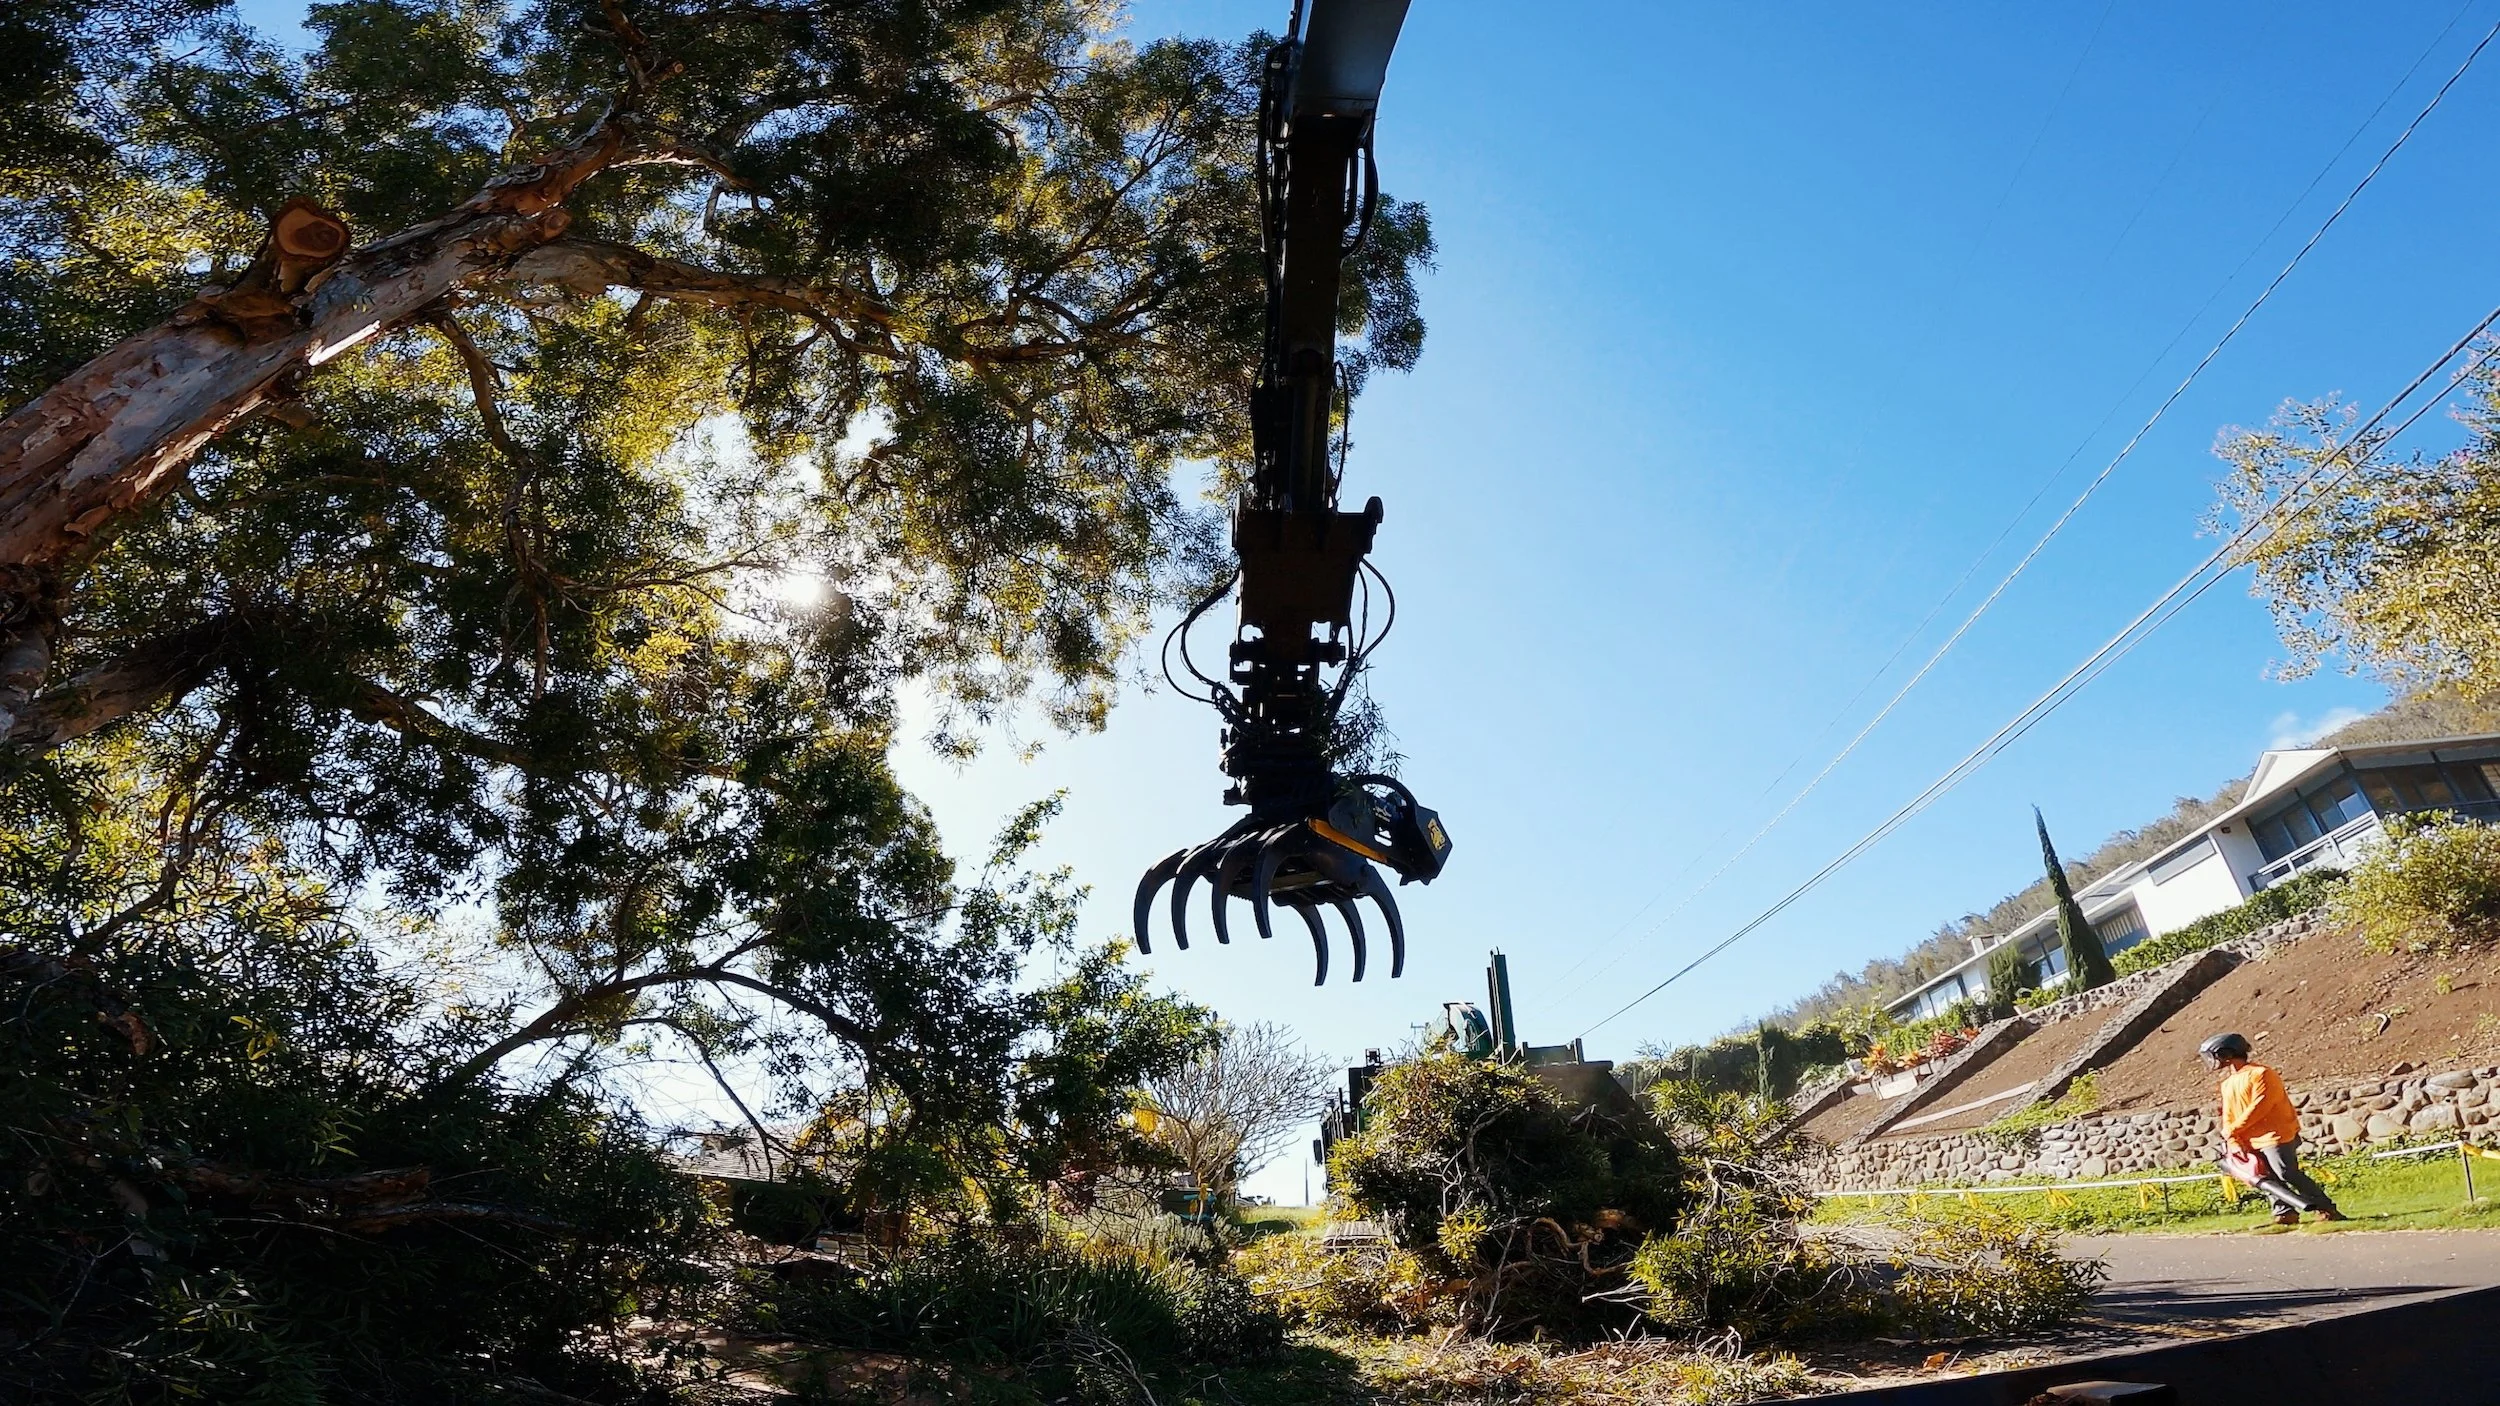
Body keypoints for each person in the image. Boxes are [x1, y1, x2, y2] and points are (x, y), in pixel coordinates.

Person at [2201, 1032, 2345, 1226]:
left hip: (2275, 1134)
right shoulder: (2227, 1083)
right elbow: (2228, 1114)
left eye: (2215, 1054)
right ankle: (2284, 1214)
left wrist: (2233, 1130)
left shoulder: (2261, 1074)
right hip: (2246, 1138)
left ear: (2227, 1052)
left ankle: (2326, 1208)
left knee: (2286, 1172)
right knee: (2264, 1177)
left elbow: (2261, 1106)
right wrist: (2233, 1139)